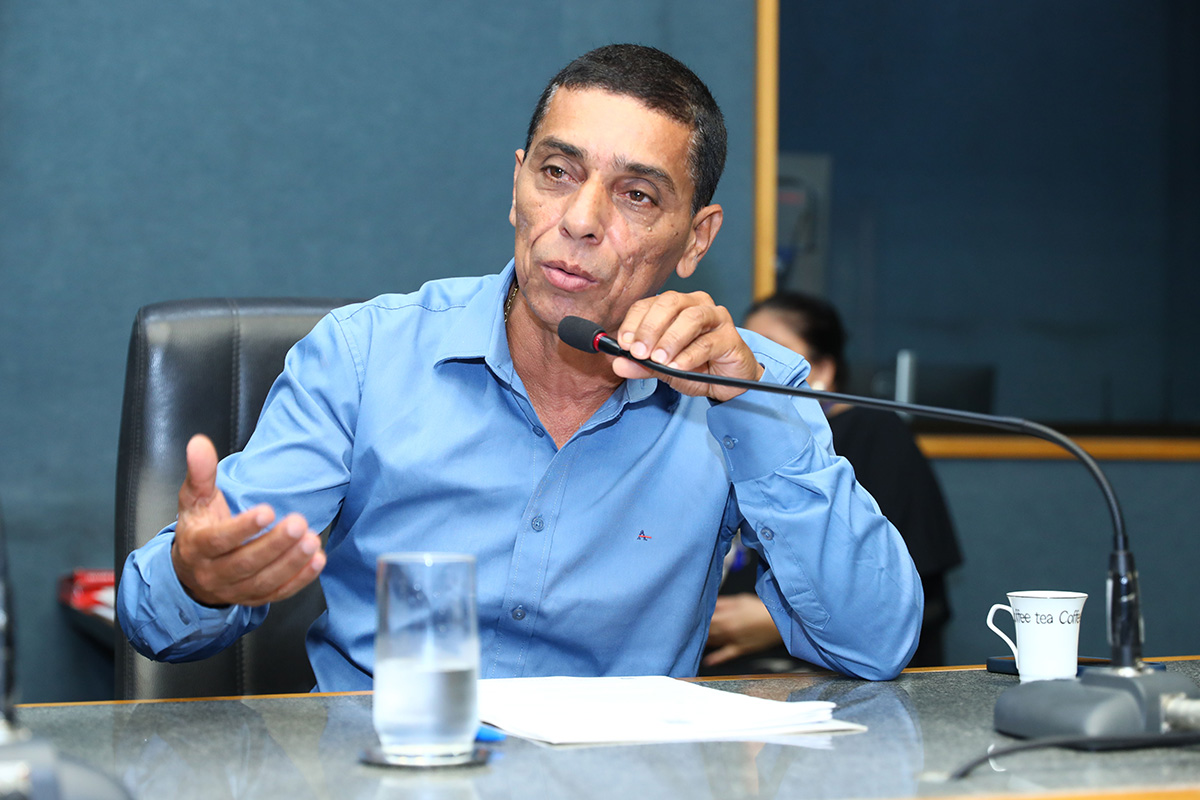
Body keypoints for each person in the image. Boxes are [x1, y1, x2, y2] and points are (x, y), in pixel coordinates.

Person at [117, 44, 922, 691]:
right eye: (557, 173)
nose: (580, 220)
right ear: (517, 186)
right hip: (390, 772)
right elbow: (152, 618)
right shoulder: (365, 356)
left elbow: (875, 642)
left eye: (637, 195)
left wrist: (749, 412)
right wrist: (199, 576)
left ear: (697, 239)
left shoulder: (747, 382)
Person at [703, 291, 961, 673]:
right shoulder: (729, 426)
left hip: (827, 665)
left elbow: (898, 578)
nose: (749, 365)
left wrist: (774, 624)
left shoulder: (874, 432)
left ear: (821, 369)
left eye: (768, 355)